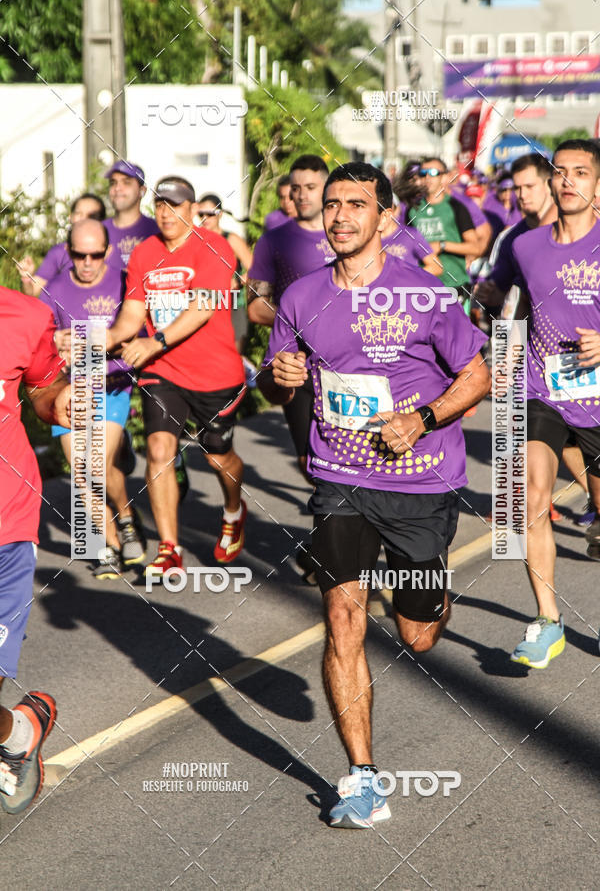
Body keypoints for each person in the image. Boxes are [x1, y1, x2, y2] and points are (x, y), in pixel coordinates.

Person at [258, 162, 490, 827]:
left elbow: (477, 376)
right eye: (331, 205)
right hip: (341, 477)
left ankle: (432, 595)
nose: (339, 216)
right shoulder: (302, 297)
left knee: (416, 636)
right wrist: (281, 375)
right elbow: (279, 385)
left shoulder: (427, 293)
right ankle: (362, 777)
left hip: (422, 480)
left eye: (356, 205)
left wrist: (423, 419)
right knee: (343, 620)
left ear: (386, 219)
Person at [106, 176, 247, 575]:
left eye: (175, 205)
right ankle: (170, 548)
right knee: (159, 451)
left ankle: (234, 511)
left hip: (213, 372)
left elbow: (203, 308)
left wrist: (155, 341)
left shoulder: (214, 247)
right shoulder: (144, 253)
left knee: (219, 457)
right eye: (160, 205)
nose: (166, 213)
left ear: (190, 209)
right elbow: (132, 316)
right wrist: (105, 339)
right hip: (162, 373)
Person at [506, 140, 600, 668]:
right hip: (542, 393)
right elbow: (515, 303)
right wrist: (502, 353)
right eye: (559, 172)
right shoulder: (527, 246)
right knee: (530, 500)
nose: (567, 182)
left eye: (580, 173)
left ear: (598, 185)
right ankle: (547, 621)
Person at [476, 153, 594, 526]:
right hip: (538, 366)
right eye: (517, 188)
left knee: (577, 440)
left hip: (590, 370)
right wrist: (501, 358)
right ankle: (528, 504)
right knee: (540, 448)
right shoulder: (516, 240)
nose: (523, 195)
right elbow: (509, 300)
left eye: (530, 186)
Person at [0, 285, 71, 815]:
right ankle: (17, 734)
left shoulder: (24, 314)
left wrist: (59, 401)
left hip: (6, 520)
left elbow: (44, 390)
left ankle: (19, 733)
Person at [45, 219, 144, 578]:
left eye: (95, 254)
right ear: (68, 252)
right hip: (71, 389)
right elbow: (41, 340)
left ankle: (127, 514)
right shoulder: (54, 289)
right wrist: (56, 341)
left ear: (107, 251)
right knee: (83, 472)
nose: (87, 262)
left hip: (112, 384)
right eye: (79, 254)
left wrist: (103, 347)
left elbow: (138, 336)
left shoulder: (122, 282)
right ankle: (111, 544)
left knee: (99, 464)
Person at [248, 154, 334, 484]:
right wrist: (300, 322)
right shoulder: (274, 241)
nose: (302, 195)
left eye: (311, 187)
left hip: (351, 358)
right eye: (296, 188)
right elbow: (256, 308)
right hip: (295, 361)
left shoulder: (348, 233)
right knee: (307, 460)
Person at [408, 159, 480, 309]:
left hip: (454, 285)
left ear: (445, 177)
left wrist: (442, 245)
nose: (427, 178)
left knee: (457, 332)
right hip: (423, 286)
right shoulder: (413, 210)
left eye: (433, 173)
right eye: (423, 174)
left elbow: (475, 247)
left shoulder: (455, 207)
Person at [17, 193, 106, 297]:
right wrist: (26, 277)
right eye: (79, 213)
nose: (85, 219)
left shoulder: (113, 251)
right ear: (70, 217)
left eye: (92, 216)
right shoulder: (58, 253)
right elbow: (32, 291)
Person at [195, 194, 253, 353]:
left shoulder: (231, 239)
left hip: (233, 304)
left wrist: (237, 282)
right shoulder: (194, 239)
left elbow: (255, 269)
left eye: (210, 214)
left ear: (220, 214)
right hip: (203, 304)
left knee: (233, 354)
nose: (205, 218)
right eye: (201, 214)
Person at [103, 160, 157, 272]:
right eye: (113, 183)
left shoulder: (157, 230)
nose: (117, 188)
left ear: (142, 190)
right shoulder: (97, 231)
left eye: (126, 182)